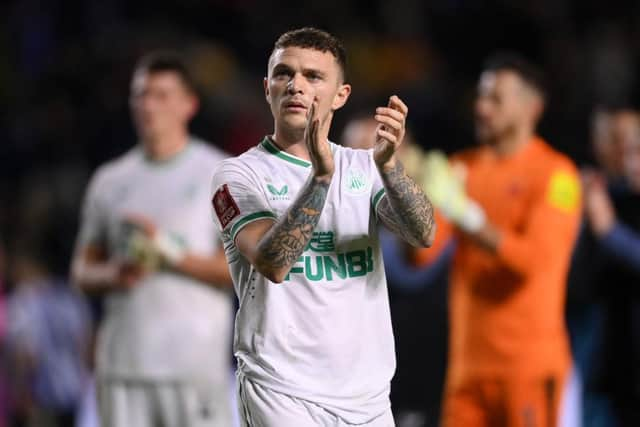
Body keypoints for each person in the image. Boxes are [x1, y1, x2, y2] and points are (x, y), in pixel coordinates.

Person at [209, 27, 435, 426]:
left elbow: (423, 234)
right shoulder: (237, 174)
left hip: (367, 397)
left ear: (341, 94)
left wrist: (389, 167)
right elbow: (272, 262)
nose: (296, 85)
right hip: (281, 391)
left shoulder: (364, 166)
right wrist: (320, 179)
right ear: (267, 88)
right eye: (284, 73)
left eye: (313, 76)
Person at [414, 53, 582, 427]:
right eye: (480, 97)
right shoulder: (463, 168)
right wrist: (412, 198)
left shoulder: (557, 176)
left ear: (531, 108)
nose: (482, 108)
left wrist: (464, 213)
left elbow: (532, 262)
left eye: (495, 99)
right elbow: (420, 257)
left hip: (529, 370)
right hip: (467, 372)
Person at [71, 51, 234, 427]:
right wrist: (114, 273)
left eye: (161, 95)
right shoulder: (110, 180)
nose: (148, 105)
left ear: (189, 104)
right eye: (140, 94)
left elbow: (243, 269)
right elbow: (82, 272)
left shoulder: (220, 173)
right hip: (123, 367)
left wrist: (167, 251)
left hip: (193, 368)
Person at [6, 247, 92, 427]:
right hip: (74, 393)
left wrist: (21, 392)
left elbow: (27, 355)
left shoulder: (27, 300)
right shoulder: (74, 300)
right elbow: (85, 347)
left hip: (44, 397)